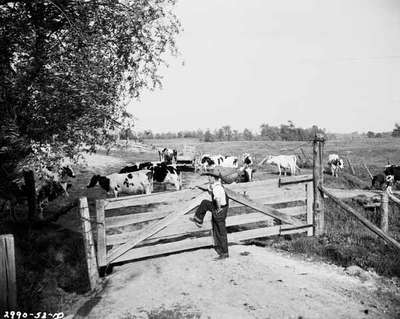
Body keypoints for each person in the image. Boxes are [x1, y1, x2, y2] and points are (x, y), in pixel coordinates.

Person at [189, 170, 229, 260]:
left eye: (209, 177)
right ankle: (198, 219)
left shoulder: (217, 187)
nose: (208, 178)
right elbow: (207, 188)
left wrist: (218, 209)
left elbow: (218, 199)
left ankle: (224, 252)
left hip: (220, 209)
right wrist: (197, 186)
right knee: (205, 203)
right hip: (218, 207)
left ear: (213, 178)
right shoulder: (214, 185)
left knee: (220, 232)